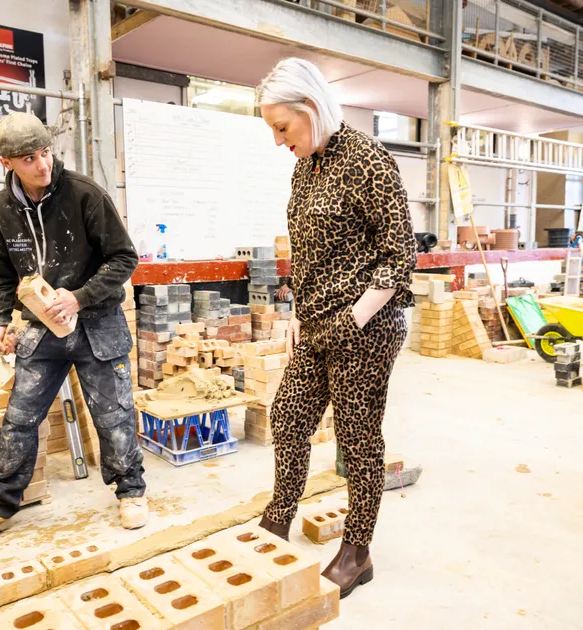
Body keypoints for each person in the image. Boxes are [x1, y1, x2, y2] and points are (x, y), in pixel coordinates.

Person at [255, 58, 416, 599]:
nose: (279, 141)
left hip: (366, 326)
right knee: (288, 416)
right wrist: (300, 311)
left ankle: (357, 549)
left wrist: (354, 318)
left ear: (311, 109)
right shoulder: (307, 166)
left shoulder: (370, 159)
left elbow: (399, 255)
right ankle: (279, 513)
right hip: (317, 323)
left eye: (283, 128)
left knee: (357, 438)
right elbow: (307, 250)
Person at [0, 113, 147, 548]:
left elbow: (123, 259)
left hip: (97, 322)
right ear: (6, 163)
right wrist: (0, 320)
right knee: (19, 419)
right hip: (42, 327)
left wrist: (79, 296)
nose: (41, 165)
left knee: (113, 415)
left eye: (45, 153)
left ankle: (131, 492)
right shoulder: (1, 209)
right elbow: (1, 273)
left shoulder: (84, 194)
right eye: (28, 158)